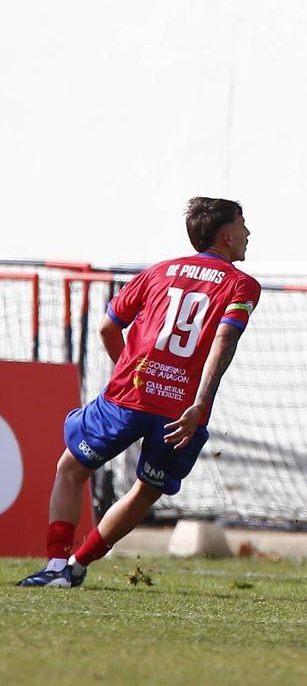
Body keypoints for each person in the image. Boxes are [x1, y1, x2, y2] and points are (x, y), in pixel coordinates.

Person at [17, 198, 260, 587]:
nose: (250, 233)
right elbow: (224, 338)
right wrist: (199, 403)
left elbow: (107, 328)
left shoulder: (159, 271)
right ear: (227, 236)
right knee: (147, 489)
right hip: (181, 410)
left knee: (71, 468)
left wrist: (129, 371)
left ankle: (56, 565)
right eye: (245, 225)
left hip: (129, 396)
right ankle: (79, 565)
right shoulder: (242, 284)